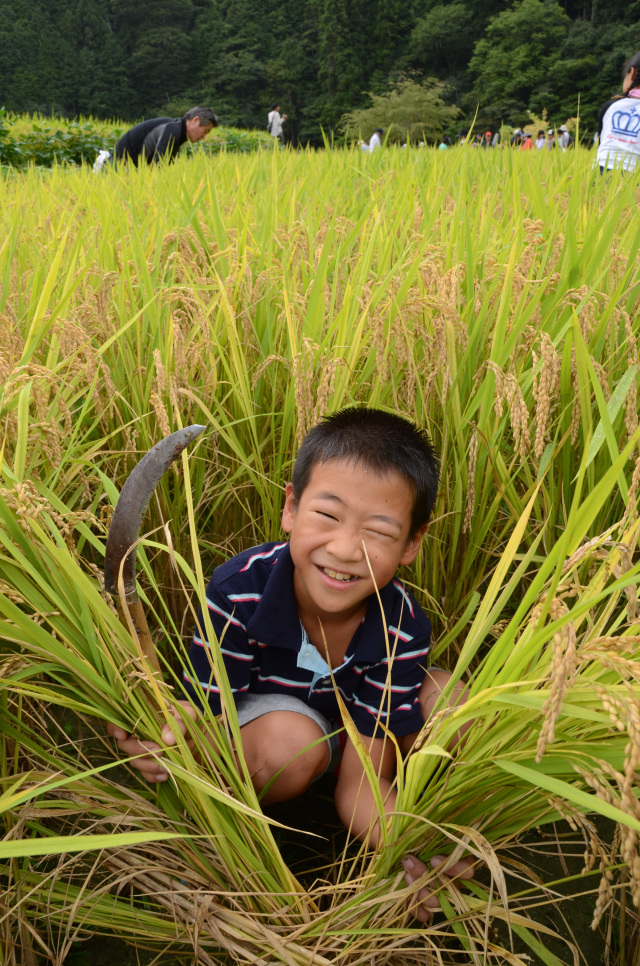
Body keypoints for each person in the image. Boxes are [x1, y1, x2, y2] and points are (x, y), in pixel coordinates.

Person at [108, 407, 473, 921]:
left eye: (380, 531)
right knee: (292, 744)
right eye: (327, 515)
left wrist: (407, 850)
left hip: (363, 745)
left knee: (457, 703)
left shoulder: (403, 625)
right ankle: (251, 826)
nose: (346, 550)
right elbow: (208, 716)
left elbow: (363, 781)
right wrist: (165, 742)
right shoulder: (238, 591)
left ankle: (422, 825)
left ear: (412, 544)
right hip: (277, 733)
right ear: (291, 508)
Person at [111, 107, 218, 167]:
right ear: (195, 120)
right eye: (205, 131)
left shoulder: (178, 131)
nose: (204, 137)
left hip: (129, 168)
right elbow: (159, 165)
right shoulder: (173, 130)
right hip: (116, 167)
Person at [596, 51, 640, 173]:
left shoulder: (611, 106)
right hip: (635, 176)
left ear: (632, 73)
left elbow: (601, 143)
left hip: (602, 171)